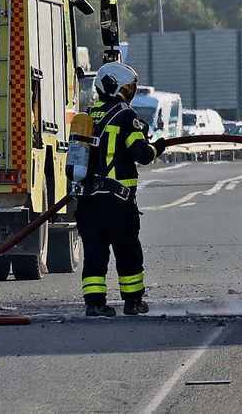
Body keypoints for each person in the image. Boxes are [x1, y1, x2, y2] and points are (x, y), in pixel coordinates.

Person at [79, 61, 165, 317]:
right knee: (127, 251)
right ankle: (133, 302)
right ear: (116, 87)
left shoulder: (87, 116)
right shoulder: (126, 116)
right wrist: (158, 147)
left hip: (87, 200)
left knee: (94, 253)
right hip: (116, 201)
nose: (130, 93)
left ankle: (94, 304)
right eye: (128, 88)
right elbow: (142, 154)